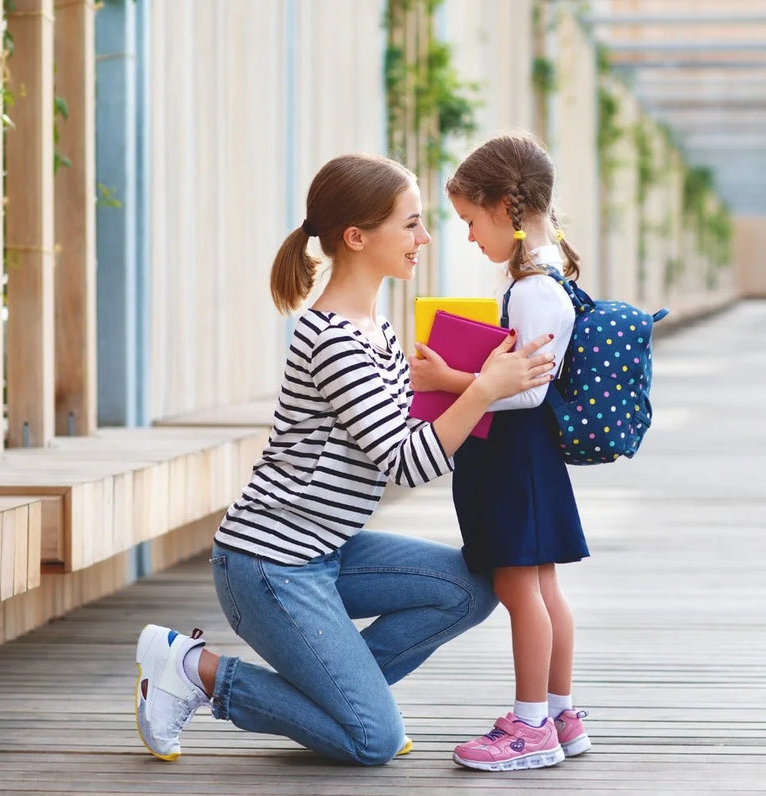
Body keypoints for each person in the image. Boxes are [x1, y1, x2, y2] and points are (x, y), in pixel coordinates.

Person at [134, 154, 557, 766]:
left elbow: (407, 427)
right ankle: (196, 671)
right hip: (269, 565)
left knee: (471, 587)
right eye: (410, 224)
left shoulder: (377, 329)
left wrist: (468, 380)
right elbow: (406, 462)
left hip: (327, 549)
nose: (425, 237)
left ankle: (340, 702)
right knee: (372, 741)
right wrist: (484, 388)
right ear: (357, 237)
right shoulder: (333, 339)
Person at [407, 133, 591, 772]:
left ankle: (531, 723)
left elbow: (525, 393)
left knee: (521, 592)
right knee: (542, 589)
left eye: (470, 220)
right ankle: (560, 713)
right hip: (526, 462)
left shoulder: (532, 288)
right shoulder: (545, 278)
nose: (467, 236)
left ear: (506, 206)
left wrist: (446, 381)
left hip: (513, 460)